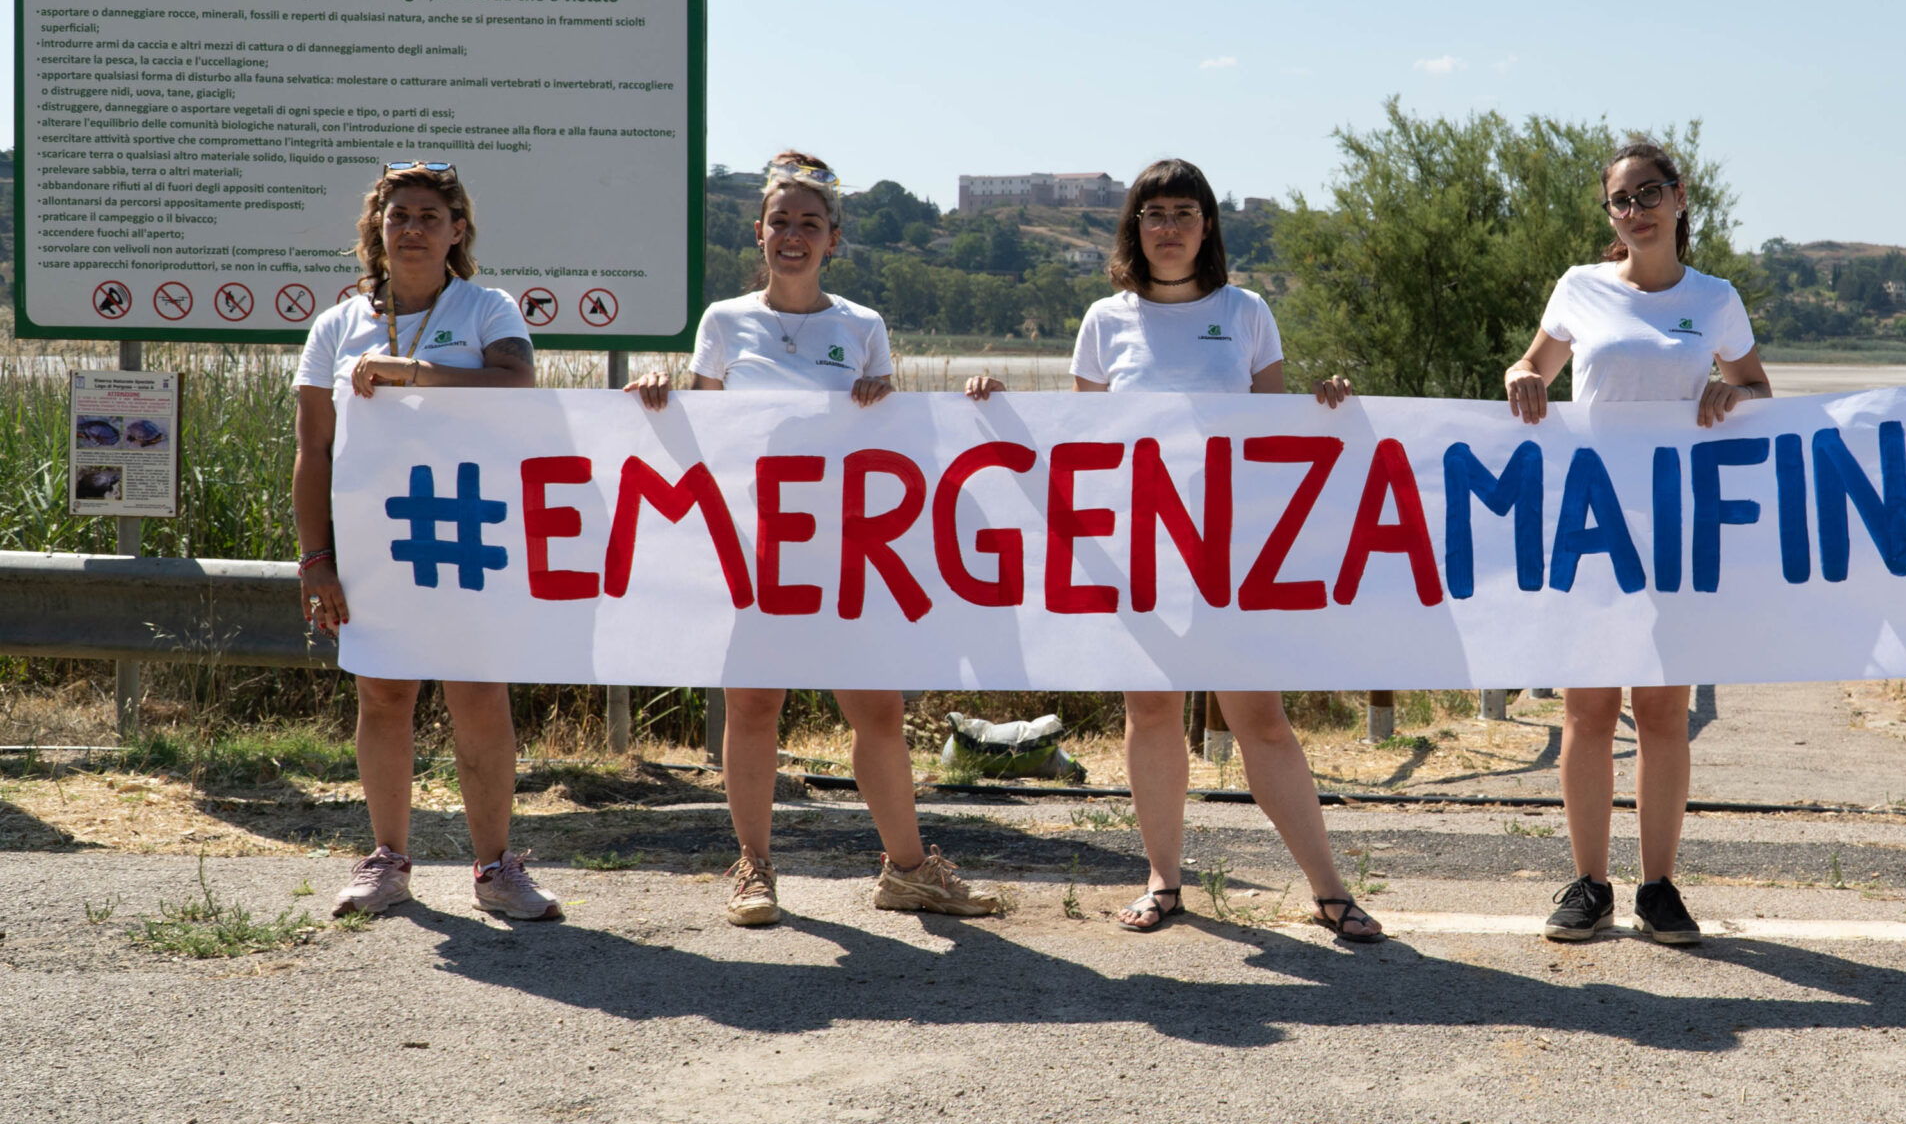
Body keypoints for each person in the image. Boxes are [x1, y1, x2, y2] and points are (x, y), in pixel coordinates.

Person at [965, 158, 1384, 941]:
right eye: (1154, 213)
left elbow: (1274, 436)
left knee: (1260, 718)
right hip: (1140, 547)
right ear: (1135, 226)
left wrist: (1324, 407)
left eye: (1184, 212)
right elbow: (1085, 446)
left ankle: (1329, 889)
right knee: (1150, 709)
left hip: (1233, 550)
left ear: (1207, 226)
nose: (1168, 227)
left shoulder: (1249, 310)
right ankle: (1163, 879)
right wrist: (999, 408)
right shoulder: (1104, 320)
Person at [628, 150, 1000, 928]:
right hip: (759, 544)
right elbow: (706, 436)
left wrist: (919, 401)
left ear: (834, 237)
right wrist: (657, 397)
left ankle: (908, 870)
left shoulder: (862, 325)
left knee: (877, 712)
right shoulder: (722, 322)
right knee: (753, 704)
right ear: (757, 231)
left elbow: (895, 448)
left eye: (810, 224)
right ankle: (754, 867)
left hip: (846, 548)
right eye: (780, 222)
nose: (793, 236)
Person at [1502, 141, 1772, 946]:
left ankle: (1659, 886)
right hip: (1591, 529)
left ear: (1681, 197)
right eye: (1622, 199)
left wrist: (1737, 389)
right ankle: (1588, 883)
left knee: (1663, 711)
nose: (1637, 209)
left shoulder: (1717, 297)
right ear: (1610, 212)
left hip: (1681, 528)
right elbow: (1534, 365)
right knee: (1589, 710)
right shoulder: (1579, 288)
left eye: (1650, 192)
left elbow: (1758, 386)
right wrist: (1521, 372)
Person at [295, 162, 557, 921]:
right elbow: (313, 447)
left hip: (473, 530)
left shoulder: (487, 308)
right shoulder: (336, 326)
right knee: (384, 693)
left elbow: (517, 383)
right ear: (377, 229)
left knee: (478, 696)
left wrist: (412, 371)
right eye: (399, 214)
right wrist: (316, 558)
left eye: (430, 216)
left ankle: (496, 867)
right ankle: (388, 859)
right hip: (379, 543)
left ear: (457, 230)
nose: (414, 228)